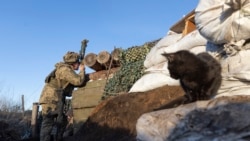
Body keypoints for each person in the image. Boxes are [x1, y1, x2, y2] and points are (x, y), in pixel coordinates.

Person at [39, 51, 85, 141]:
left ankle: (57, 138)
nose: (79, 64)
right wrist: (82, 71)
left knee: (62, 120)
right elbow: (78, 81)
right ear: (73, 63)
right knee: (48, 123)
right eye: (77, 63)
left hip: (54, 98)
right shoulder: (65, 70)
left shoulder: (66, 69)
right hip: (50, 98)